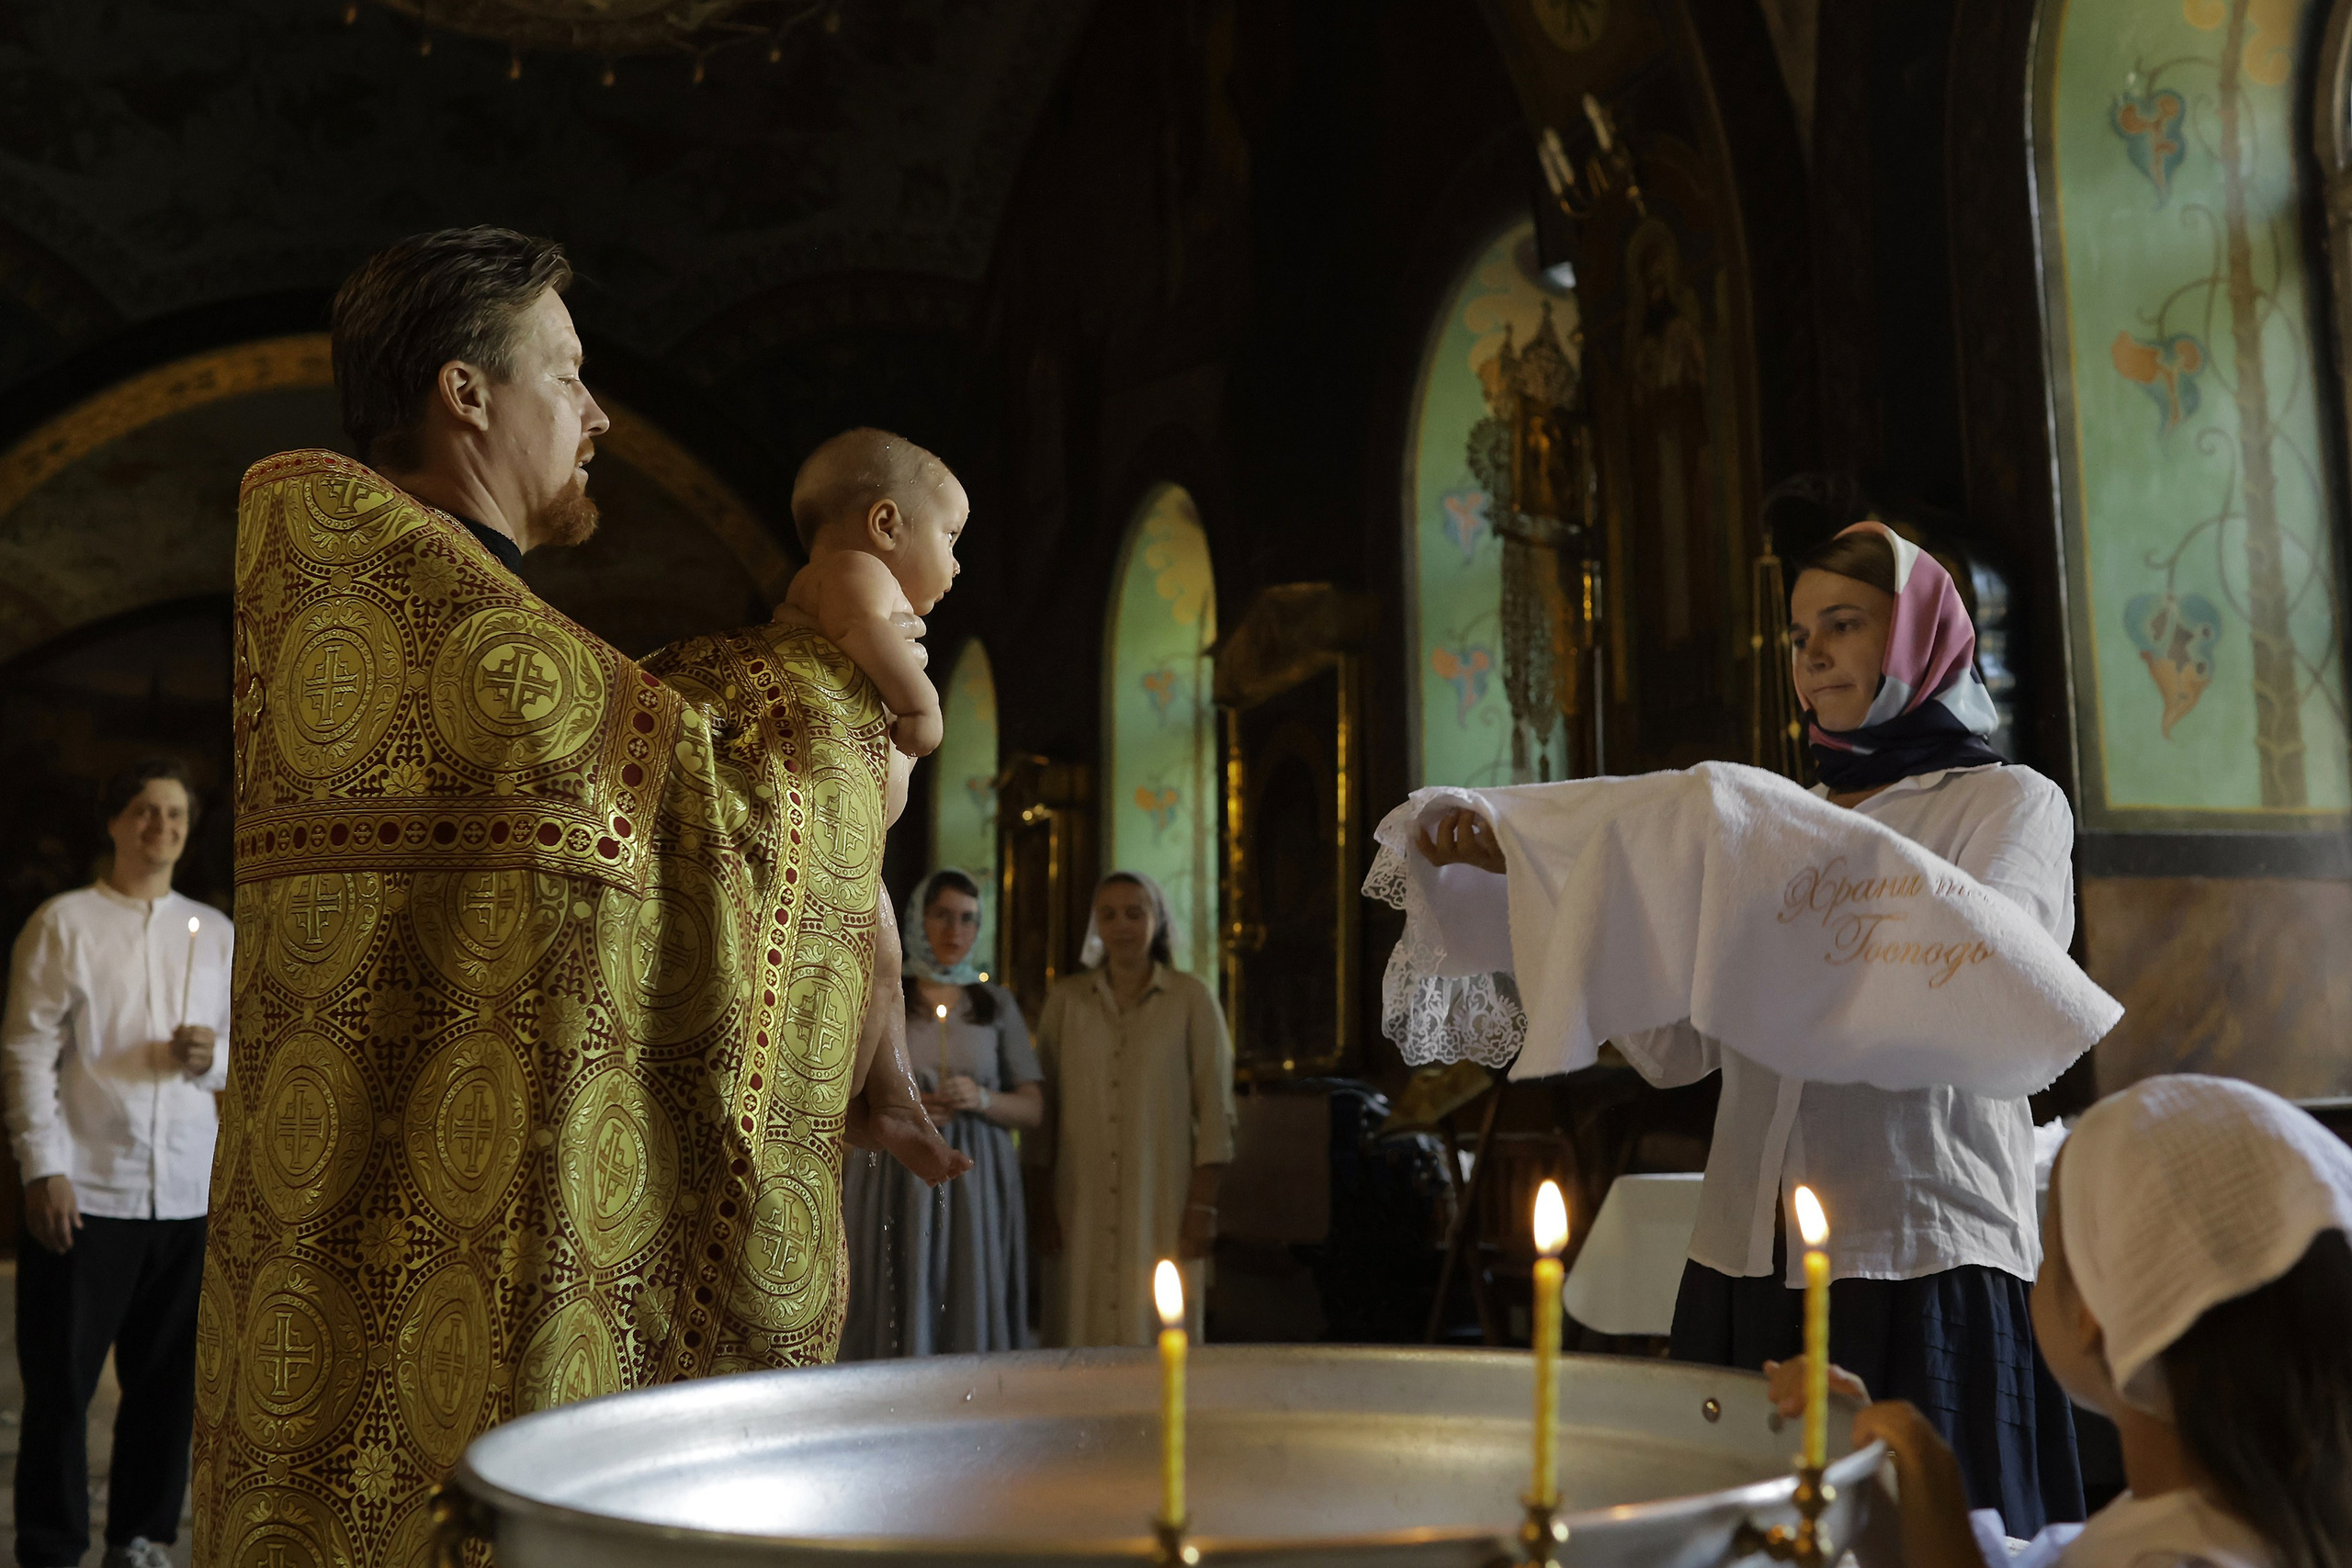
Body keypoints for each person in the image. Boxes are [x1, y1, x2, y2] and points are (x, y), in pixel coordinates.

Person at [199, 227, 955, 1568]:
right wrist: (832, 690)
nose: (601, 413)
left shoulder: (434, 615)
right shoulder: (442, 621)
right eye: (569, 372)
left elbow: (652, 814)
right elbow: (713, 811)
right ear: (466, 392)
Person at [1419, 479, 2082, 1535]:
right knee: (1746, 1543)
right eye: (1797, 633)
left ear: (1916, 635)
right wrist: (1541, 889)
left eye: (1843, 626)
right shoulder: (1786, 819)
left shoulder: (2006, 802)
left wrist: (1768, 853)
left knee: (1916, 1537)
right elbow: (1680, 1043)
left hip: (1917, 1240)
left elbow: (1994, 969)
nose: (1811, 653)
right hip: (1743, 1247)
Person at [1769, 1075, 2352, 1568]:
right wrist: (1894, 1477)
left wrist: (1925, 1461)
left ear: (2093, 1315)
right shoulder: (2242, 1517)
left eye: (2051, 1247)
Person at [2, 759, 230, 1568]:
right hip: (87, 1188)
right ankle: (52, 1545)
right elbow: (26, 1052)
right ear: (114, 821)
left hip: (182, 1191)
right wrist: (43, 1166)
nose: (158, 827)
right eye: (143, 810)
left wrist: (212, 1056)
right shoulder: (63, 923)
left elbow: (243, 1052)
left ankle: (140, 1535)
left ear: (187, 826)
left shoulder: (216, 933)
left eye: (172, 813)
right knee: (61, 1387)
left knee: (167, 1386)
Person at [841, 869, 1043, 1358]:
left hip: (976, 1174)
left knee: (966, 1284)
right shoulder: (887, 993)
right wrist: (906, 1102)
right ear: (918, 919)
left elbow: (1034, 1109)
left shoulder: (994, 1005)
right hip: (892, 1172)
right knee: (893, 1280)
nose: (955, 932)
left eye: (968, 919)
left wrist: (982, 1098)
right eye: (943, 916)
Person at [1035, 872, 1237, 1346]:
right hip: (1076, 1200)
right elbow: (1043, 1112)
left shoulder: (1192, 999)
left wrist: (1202, 1208)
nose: (1122, 925)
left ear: (1157, 920)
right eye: (1108, 915)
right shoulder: (1064, 1003)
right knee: (1077, 1324)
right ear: (1095, 926)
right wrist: (1040, 1204)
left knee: (1159, 1324)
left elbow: (1216, 1113)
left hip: (1163, 1197)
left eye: (1135, 913)